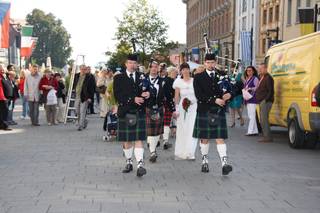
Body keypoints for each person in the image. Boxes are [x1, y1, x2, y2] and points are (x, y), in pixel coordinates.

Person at [192, 53, 233, 175]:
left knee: (219, 138)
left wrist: (230, 95)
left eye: (212, 62)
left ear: (215, 63)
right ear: (204, 63)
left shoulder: (222, 76)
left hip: (218, 111)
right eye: (208, 62)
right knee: (205, 138)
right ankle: (204, 161)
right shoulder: (198, 77)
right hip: (205, 110)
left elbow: (233, 87)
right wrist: (214, 100)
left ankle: (224, 164)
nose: (210, 64)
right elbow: (199, 95)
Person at [113, 54, 151, 177]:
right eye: (130, 62)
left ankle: (140, 165)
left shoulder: (142, 76)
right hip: (125, 111)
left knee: (138, 139)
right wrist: (132, 99)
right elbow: (118, 96)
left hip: (139, 111)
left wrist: (148, 94)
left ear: (137, 64)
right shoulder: (119, 78)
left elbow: (150, 90)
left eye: (134, 63)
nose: (132, 65)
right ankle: (129, 162)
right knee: (127, 140)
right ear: (126, 64)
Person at [146, 60, 176, 163]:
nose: (154, 69)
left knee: (155, 132)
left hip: (158, 108)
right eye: (152, 67)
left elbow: (168, 96)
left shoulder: (163, 81)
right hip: (145, 108)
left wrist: (173, 109)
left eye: (156, 67)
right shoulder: (143, 79)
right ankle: (152, 151)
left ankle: (153, 151)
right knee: (150, 132)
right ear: (149, 68)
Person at [173, 63, 198, 160]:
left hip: (194, 107)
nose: (185, 71)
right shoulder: (178, 82)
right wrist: (176, 109)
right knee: (183, 129)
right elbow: (176, 97)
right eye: (183, 69)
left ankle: (190, 152)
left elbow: (198, 94)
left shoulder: (194, 81)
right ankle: (181, 150)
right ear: (181, 71)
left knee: (192, 128)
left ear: (189, 70)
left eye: (187, 69)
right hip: (182, 108)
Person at [256, 63, 274, 143]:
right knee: (262, 120)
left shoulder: (268, 78)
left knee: (264, 120)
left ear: (265, 68)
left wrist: (265, 100)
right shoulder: (262, 77)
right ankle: (265, 136)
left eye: (261, 69)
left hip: (266, 102)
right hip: (261, 101)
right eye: (259, 69)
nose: (259, 70)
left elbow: (270, 91)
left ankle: (267, 137)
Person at [73, 65, 95, 131]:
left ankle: (80, 126)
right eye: (82, 69)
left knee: (82, 111)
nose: (83, 70)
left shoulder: (90, 77)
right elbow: (73, 84)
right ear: (80, 69)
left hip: (85, 96)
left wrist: (90, 97)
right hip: (77, 96)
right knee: (77, 111)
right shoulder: (76, 75)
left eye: (85, 69)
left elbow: (92, 88)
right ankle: (85, 121)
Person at [162, 66, 178, 148]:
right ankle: (165, 141)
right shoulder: (170, 81)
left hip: (165, 103)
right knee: (166, 123)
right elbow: (168, 95)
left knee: (165, 123)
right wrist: (172, 107)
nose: (176, 74)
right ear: (171, 73)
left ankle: (163, 140)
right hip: (168, 103)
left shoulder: (165, 80)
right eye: (175, 73)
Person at [243, 66, 259, 136]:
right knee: (251, 115)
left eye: (250, 70)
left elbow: (257, 87)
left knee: (251, 116)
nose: (248, 72)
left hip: (253, 99)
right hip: (248, 98)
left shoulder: (255, 78)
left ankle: (250, 131)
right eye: (247, 71)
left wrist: (250, 88)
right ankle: (255, 131)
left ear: (253, 71)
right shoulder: (247, 79)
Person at [0, 64, 11, 131]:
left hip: (4, 96)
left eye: (3, 68)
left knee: (3, 112)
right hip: (2, 97)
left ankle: (2, 125)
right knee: (5, 112)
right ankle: (5, 125)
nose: (3, 69)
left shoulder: (5, 75)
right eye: (1, 68)